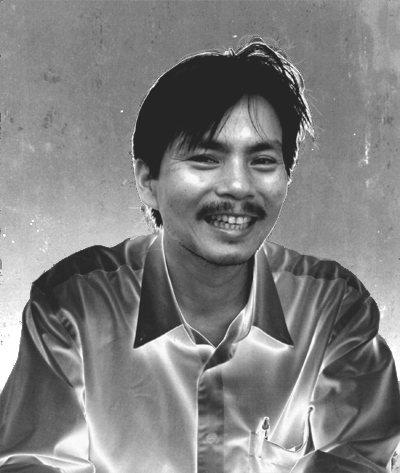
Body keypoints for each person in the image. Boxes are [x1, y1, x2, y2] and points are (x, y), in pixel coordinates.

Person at [0, 36, 399, 473]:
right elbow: (30, 463)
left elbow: (360, 461)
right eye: (206, 158)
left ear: (287, 175)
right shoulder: (71, 306)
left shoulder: (334, 308)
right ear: (147, 180)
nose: (238, 186)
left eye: (262, 161)